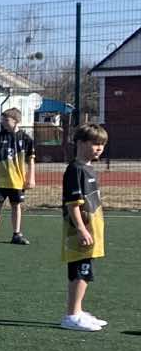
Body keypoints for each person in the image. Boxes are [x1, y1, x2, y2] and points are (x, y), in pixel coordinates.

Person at [60, 124, 108, 332]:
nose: (99, 148)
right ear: (80, 143)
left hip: (91, 230)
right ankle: (71, 315)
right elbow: (72, 204)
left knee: (85, 272)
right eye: (95, 143)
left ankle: (78, 311)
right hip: (79, 233)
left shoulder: (88, 168)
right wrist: (81, 229)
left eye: (102, 144)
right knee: (80, 272)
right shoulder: (75, 170)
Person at [0, 107, 36, 244]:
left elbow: (31, 160)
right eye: (3, 119)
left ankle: (16, 234)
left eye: (6, 120)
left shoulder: (26, 139)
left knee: (16, 206)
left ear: (16, 121)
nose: (3, 122)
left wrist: (31, 178)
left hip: (17, 180)